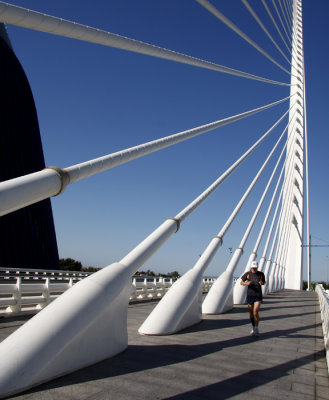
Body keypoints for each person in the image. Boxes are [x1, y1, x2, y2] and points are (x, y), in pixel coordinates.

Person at [240, 261, 265, 337]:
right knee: (251, 312)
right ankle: (253, 327)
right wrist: (246, 283)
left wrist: (261, 283)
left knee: (255, 311)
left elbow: (263, 282)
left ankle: (256, 328)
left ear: (257, 267)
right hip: (250, 294)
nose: (254, 269)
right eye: (253, 267)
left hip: (258, 295)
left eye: (255, 267)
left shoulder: (261, 274)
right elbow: (241, 282)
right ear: (251, 267)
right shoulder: (248, 274)